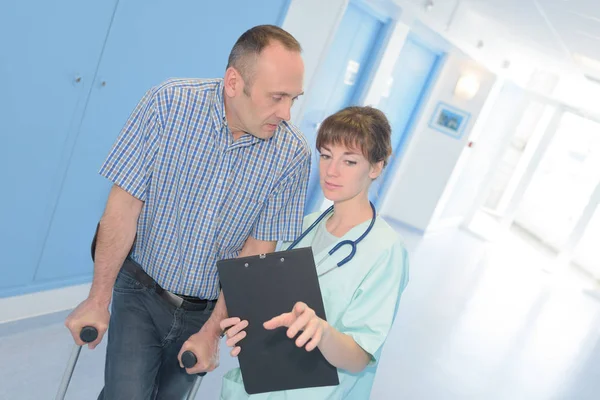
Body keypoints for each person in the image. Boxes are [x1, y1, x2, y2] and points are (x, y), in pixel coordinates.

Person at [64, 25, 310, 399]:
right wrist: (98, 299)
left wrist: (212, 332)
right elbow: (123, 208)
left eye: (294, 98)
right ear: (233, 82)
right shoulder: (169, 104)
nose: (287, 113)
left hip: (206, 310)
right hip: (141, 290)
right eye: (277, 97)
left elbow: (255, 255)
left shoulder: (292, 156)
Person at [219, 106, 410, 399]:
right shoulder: (304, 227)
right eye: (326, 155)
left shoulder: (386, 252)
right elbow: (271, 309)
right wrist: (246, 327)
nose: (331, 171)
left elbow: (359, 357)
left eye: (349, 161)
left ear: (376, 167)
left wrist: (320, 330)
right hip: (258, 388)